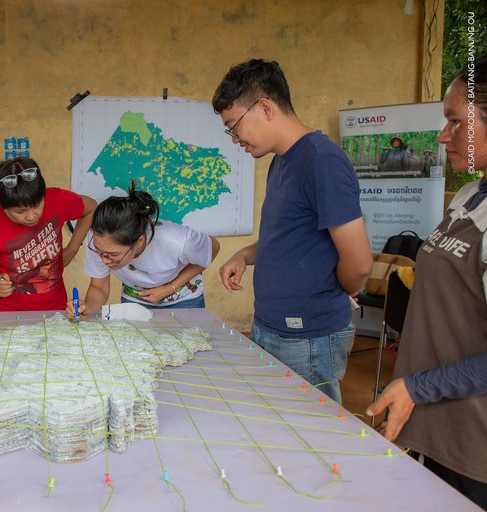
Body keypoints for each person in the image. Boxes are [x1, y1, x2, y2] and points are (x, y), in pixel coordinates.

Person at [212, 59, 372, 403]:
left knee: (312, 437)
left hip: (309, 337)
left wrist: (335, 293)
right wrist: (243, 254)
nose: (235, 138)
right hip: (272, 326)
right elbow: (286, 236)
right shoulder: (281, 161)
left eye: (234, 126)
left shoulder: (321, 161)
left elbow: (359, 264)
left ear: (265, 107)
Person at [367, 58, 487, 509]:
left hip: (475, 448)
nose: (442, 136)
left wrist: (420, 386)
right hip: (438, 429)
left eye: (456, 122)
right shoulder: (470, 197)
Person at [67, 182, 219, 321]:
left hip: (183, 298)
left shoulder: (177, 240)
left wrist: (169, 288)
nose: (104, 260)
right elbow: (98, 287)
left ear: (139, 241)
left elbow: (212, 249)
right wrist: (88, 308)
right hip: (135, 299)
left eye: (113, 255)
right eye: (100, 252)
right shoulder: (99, 241)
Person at [0, 156, 96, 311]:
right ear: (3, 207)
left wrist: (73, 248)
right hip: (7, 315)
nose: (31, 216)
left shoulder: (58, 199)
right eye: (20, 211)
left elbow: (91, 208)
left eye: (37, 205)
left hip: (55, 308)